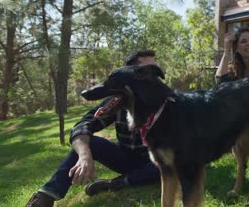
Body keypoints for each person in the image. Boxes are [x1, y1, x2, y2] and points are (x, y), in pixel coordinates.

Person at [26, 50, 160, 207]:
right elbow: (83, 125)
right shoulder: (116, 101)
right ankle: (45, 196)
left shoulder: (167, 101)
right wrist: (84, 155)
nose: (152, 75)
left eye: (155, 69)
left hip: (159, 164)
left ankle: (114, 184)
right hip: (128, 159)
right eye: (145, 70)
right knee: (90, 143)